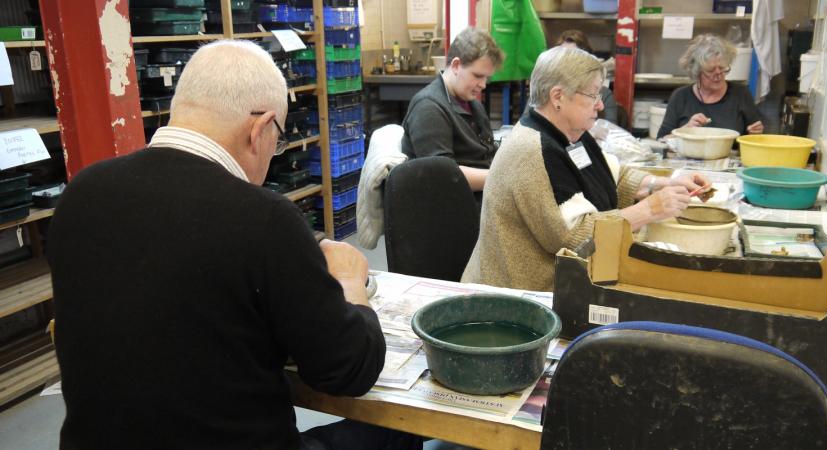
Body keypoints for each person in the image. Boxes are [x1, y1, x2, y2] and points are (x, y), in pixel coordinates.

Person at [48, 40, 421, 450]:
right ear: (260, 129)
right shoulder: (262, 218)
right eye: (278, 141)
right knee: (399, 430)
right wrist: (350, 282)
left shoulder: (81, 194)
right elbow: (350, 369)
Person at [462, 46, 710, 292]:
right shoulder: (532, 151)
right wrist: (650, 209)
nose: (600, 106)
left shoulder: (571, 133)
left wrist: (666, 183)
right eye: (593, 95)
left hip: (557, 283)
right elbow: (575, 238)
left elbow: (613, 175)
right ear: (557, 96)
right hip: (517, 295)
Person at [401, 27, 504, 193]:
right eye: (478, 76)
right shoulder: (428, 107)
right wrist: (503, 179)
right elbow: (441, 175)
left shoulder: (473, 105)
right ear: (456, 65)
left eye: (487, 78)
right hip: (453, 209)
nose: (483, 85)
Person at [657, 34, 764, 138]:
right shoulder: (680, 97)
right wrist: (685, 130)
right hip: (689, 155)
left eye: (722, 68)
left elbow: (754, 136)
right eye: (710, 70)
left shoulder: (741, 94)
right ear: (696, 71)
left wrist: (756, 133)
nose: (718, 75)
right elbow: (662, 140)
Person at [556, 29, 619, 126]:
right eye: (563, 57)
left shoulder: (604, 94)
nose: (567, 64)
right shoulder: (545, 91)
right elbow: (529, 129)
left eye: (573, 58)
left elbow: (611, 133)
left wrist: (591, 131)